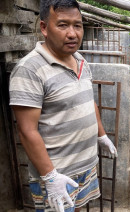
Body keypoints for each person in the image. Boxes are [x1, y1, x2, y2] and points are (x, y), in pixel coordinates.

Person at [9, 0, 118, 211]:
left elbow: (88, 102)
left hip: (85, 165)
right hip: (57, 173)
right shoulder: (29, 70)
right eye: (62, 25)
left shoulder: (80, 60)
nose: (72, 33)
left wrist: (101, 135)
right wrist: (50, 177)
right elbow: (26, 130)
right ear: (44, 28)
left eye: (77, 25)